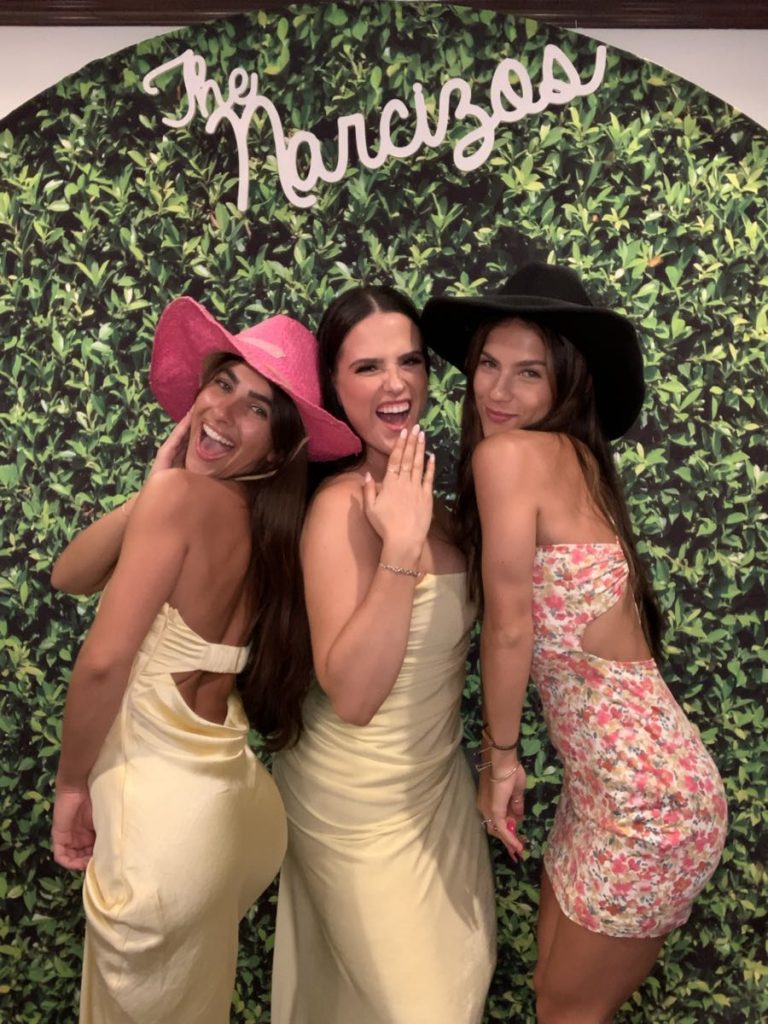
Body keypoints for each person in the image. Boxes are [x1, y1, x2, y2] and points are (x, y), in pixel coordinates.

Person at [421, 262, 728, 1023]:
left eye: (529, 372)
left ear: (568, 382)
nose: (498, 391)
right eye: (488, 364)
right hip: (608, 790)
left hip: (647, 799)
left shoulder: (507, 457)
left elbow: (512, 625)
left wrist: (500, 761)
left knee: (565, 1009)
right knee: (554, 997)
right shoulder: (578, 459)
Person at [50, 297, 360, 1024]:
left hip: (160, 828)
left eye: (259, 408)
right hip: (225, 818)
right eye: (224, 383)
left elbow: (102, 665)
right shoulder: (262, 527)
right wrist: (156, 486)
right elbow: (71, 574)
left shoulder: (186, 504)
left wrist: (70, 788)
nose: (225, 411)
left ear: (281, 447)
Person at [270, 285, 496, 1024]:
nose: (396, 383)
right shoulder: (339, 508)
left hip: (436, 793)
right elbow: (357, 697)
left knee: (459, 984)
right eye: (367, 368)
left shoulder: (449, 508)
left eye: (410, 361)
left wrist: (502, 757)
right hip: (354, 807)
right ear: (333, 388)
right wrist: (400, 547)